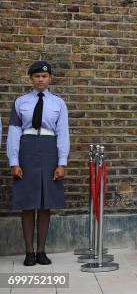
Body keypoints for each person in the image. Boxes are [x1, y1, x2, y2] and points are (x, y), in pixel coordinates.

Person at [7, 61, 69, 266]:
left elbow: (63, 133)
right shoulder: (20, 102)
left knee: (45, 203)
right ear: (31, 79)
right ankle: (28, 252)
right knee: (27, 203)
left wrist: (62, 162)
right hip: (27, 147)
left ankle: (41, 250)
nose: (40, 79)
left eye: (44, 76)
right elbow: (14, 132)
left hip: (50, 149)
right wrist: (14, 161)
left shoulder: (58, 103)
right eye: (36, 76)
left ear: (50, 78)